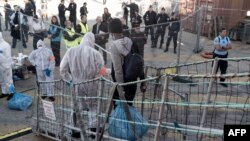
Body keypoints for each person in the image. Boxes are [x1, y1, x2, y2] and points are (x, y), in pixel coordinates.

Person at [60, 32, 106, 138]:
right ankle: (93, 130)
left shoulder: (71, 51)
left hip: (76, 83)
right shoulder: (95, 53)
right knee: (93, 105)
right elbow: (101, 69)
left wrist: (69, 80)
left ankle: (75, 129)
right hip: (91, 83)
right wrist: (100, 76)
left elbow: (62, 68)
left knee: (76, 105)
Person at [109, 18, 145, 108]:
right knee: (129, 106)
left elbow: (118, 70)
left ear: (112, 33)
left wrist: (121, 88)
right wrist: (143, 81)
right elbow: (139, 61)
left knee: (120, 111)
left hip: (121, 84)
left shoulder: (114, 46)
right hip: (132, 82)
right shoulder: (131, 41)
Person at [0, 32, 15, 100]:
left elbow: (8, 57)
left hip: (6, 65)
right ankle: (4, 92)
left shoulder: (6, 45)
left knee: (8, 80)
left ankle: (11, 93)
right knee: (2, 80)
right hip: (0, 65)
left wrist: (7, 66)